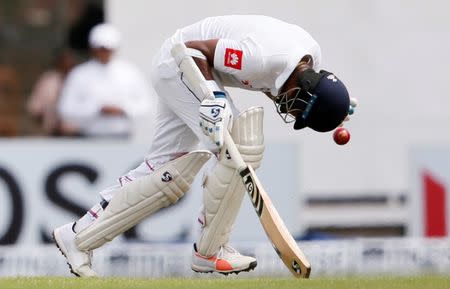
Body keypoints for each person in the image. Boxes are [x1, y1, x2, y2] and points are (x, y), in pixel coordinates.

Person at [52, 15, 356, 277]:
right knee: (241, 142)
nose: (289, 111)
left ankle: (77, 237)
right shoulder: (263, 56)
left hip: (187, 68)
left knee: (163, 168)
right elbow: (192, 50)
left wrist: (334, 107)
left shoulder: (304, 64)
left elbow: (272, 84)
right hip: (182, 61)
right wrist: (215, 98)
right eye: (297, 106)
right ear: (305, 87)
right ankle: (210, 252)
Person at [57, 23, 151, 138]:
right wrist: (97, 109)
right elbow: (66, 108)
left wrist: (123, 110)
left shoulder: (130, 72)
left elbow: (145, 106)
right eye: (101, 49)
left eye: (108, 49)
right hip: (88, 138)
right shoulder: (80, 74)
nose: (104, 52)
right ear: (93, 48)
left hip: (123, 138)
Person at [26, 49, 77, 136]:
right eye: (64, 61)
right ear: (58, 63)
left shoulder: (80, 79)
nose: (67, 64)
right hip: (51, 132)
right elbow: (34, 108)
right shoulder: (48, 80)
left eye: (70, 62)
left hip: (77, 133)